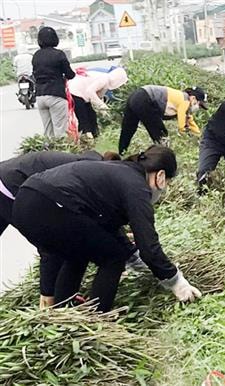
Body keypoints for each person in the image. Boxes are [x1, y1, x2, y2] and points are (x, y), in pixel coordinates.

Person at [11, 145, 201, 312]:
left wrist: (134, 259)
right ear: (160, 176)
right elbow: (149, 245)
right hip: (50, 204)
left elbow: (106, 230)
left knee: (78, 252)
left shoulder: (119, 172)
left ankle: (62, 314)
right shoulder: (137, 187)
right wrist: (176, 282)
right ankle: (97, 319)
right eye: (167, 183)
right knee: (113, 257)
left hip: (25, 201)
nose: (164, 188)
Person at [0, 150, 119, 308]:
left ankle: (58, 299)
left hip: (13, 177)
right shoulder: (90, 175)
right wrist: (48, 292)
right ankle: (49, 302)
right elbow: (49, 242)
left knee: (65, 237)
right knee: (53, 239)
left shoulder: (95, 167)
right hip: (9, 187)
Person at [118, 85, 208, 155]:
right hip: (145, 99)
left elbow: (190, 122)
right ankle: (163, 158)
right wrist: (184, 134)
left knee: (128, 128)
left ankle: (121, 152)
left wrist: (199, 136)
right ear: (193, 98)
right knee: (161, 135)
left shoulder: (181, 99)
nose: (198, 108)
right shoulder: (185, 101)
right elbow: (181, 125)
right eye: (199, 105)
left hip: (137, 95)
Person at [32, 27, 76, 138]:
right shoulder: (59, 54)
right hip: (56, 95)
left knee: (48, 133)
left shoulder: (36, 55)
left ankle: (48, 153)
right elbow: (70, 74)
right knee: (60, 131)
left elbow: (34, 74)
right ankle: (60, 154)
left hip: (40, 96)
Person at [68, 67, 128, 138]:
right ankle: (87, 139)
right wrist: (101, 105)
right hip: (76, 92)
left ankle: (95, 136)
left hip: (84, 95)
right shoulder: (104, 79)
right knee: (83, 118)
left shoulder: (106, 83)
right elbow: (90, 91)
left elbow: (99, 97)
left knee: (92, 116)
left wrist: (103, 109)